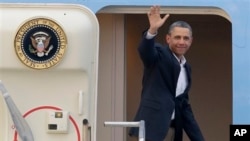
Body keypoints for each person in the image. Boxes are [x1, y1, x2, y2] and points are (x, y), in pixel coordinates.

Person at [129, 5, 205, 141]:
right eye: (177, 37)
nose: (182, 42)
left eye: (186, 38)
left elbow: (184, 108)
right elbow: (145, 51)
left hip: (172, 132)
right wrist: (152, 30)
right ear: (168, 39)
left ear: (191, 41)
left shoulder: (187, 68)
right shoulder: (159, 54)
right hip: (151, 130)